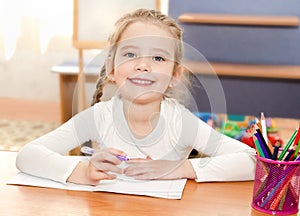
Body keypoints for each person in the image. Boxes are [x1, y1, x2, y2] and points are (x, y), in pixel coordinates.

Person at [16, 9, 256, 186]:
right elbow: (28, 155)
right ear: (111, 68)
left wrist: (179, 168)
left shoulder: (180, 122)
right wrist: (82, 170)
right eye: (131, 54)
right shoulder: (99, 116)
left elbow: (252, 160)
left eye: (158, 58)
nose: (143, 65)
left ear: (175, 75)